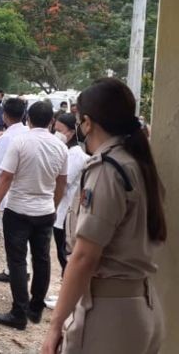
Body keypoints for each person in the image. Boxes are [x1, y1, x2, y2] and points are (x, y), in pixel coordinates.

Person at [42, 79, 166, 354]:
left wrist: (55, 325)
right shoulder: (138, 162)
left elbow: (85, 256)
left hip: (109, 315)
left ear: (87, 123)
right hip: (141, 305)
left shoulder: (108, 169)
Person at [0, 101, 68, 330]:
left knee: (17, 260)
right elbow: (62, 181)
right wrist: (53, 204)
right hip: (45, 211)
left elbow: (5, 177)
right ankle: (35, 308)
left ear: (28, 119)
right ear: (52, 121)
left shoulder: (20, 142)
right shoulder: (60, 146)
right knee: (42, 260)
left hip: (18, 209)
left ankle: (19, 312)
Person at [0, 98, 29, 283]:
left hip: (9, 193)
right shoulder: (29, 133)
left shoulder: (6, 138)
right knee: (25, 237)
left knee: (11, 237)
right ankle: (22, 268)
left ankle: (13, 271)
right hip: (27, 190)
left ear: (5, 116)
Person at [52, 113, 89, 278]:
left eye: (60, 130)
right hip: (61, 211)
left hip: (65, 212)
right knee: (62, 252)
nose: (56, 134)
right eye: (55, 129)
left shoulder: (75, 155)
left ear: (71, 132)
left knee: (65, 254)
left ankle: (66, 294)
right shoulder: (66, 151)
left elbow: (64, 182)